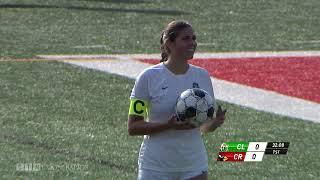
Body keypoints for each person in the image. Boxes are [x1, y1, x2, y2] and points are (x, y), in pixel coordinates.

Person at [128, 20, 227, 180]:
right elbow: (133, 127)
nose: (192, 43)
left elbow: (202, 127)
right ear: (169, 43)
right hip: (156, 168)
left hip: (193, 165)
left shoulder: (202, 76)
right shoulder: (148, 78)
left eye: (193, 38)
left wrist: (213, 124)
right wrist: (168, 125)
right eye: (186, 38)